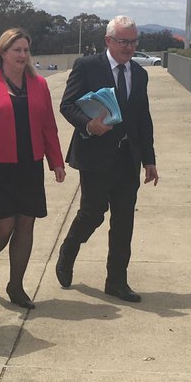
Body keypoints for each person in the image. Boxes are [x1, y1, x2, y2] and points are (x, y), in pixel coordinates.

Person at [56, 16, 158, 302]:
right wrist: (89, 125)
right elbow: (67, 105)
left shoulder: (139, 73)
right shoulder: (87, 66)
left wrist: (149, 159)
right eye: (124, 41)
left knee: (124, 220)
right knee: (93, 213)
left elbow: (143, 119)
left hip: (128, 158)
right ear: (108, 41)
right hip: (95, 156)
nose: (129, 47)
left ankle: (116, 281)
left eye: (134, 41)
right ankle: (69, 248)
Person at [0, 28, 65, 310]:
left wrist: (55, 161)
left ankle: (16, 286)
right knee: (3, 226)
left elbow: (48, 126)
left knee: (26, 223)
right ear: (3, 53)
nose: (22, 55)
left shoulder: (39, 85)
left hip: (29, 164)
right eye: (16, 50)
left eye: (25, 50)